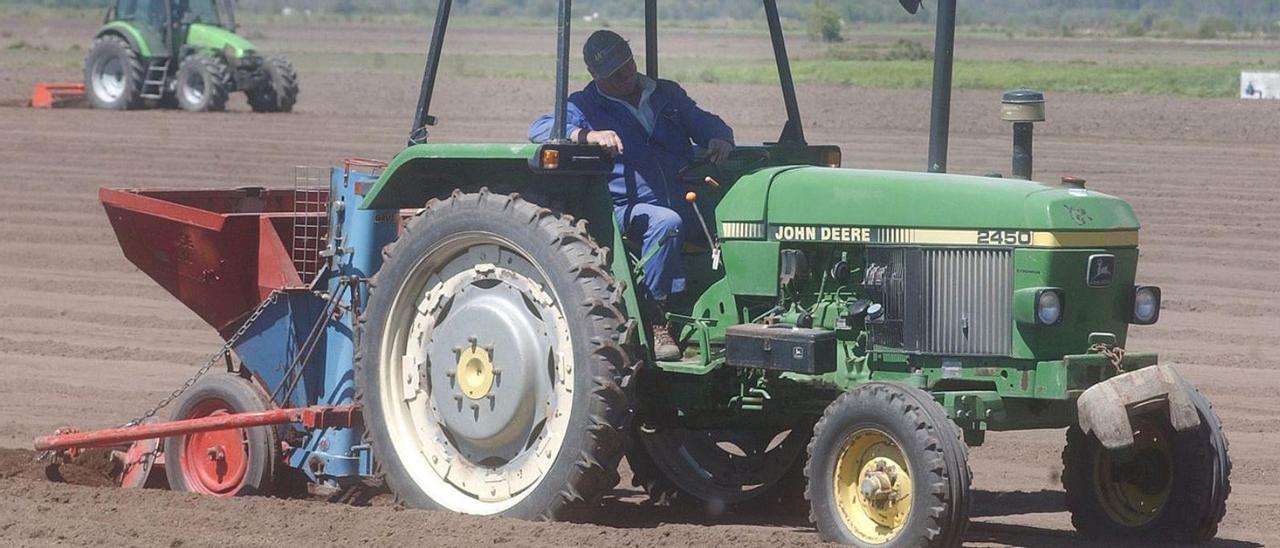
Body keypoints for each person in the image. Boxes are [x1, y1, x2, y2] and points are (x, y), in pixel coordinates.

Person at [529, 30, 735, 360]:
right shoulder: (585, 105)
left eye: (626, 66)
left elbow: (704, 122)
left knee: (735, 220)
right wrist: (588, 135)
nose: (624, 77)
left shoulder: (665, 93)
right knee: (666, 224)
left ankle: (736, 314)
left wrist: (720, 137)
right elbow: (540, 128)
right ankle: (655, 319)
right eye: (613, 74)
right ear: (595, 76)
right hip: (628, 209)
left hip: (683, 197)